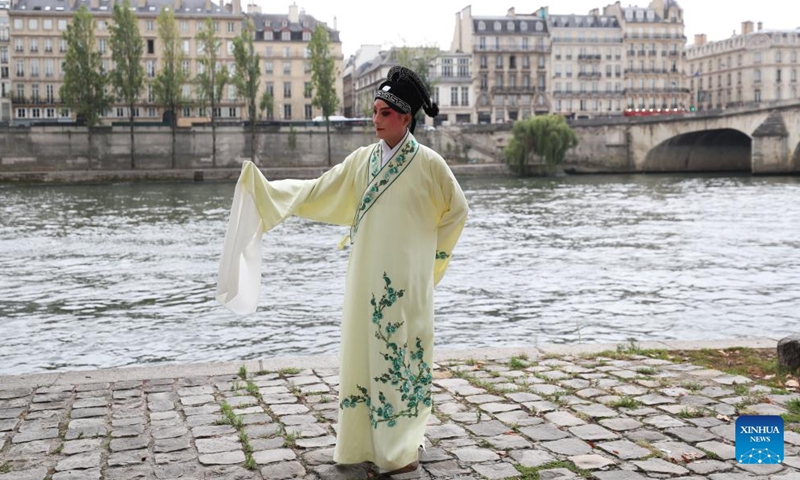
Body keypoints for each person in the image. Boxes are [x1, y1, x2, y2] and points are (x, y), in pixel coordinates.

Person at [216, 66, 469, 474]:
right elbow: (318, 189)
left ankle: (400, 449)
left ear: (406, 118)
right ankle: (361, 442)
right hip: (365, 278)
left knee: (400, 356)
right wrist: (267, 190)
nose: (375, 119)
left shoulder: (430, 165)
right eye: (375, 111)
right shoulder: (362, 161)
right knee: (363, 354)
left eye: (385, 112)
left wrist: (430, 261)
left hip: (407, 283)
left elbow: (457, 212)